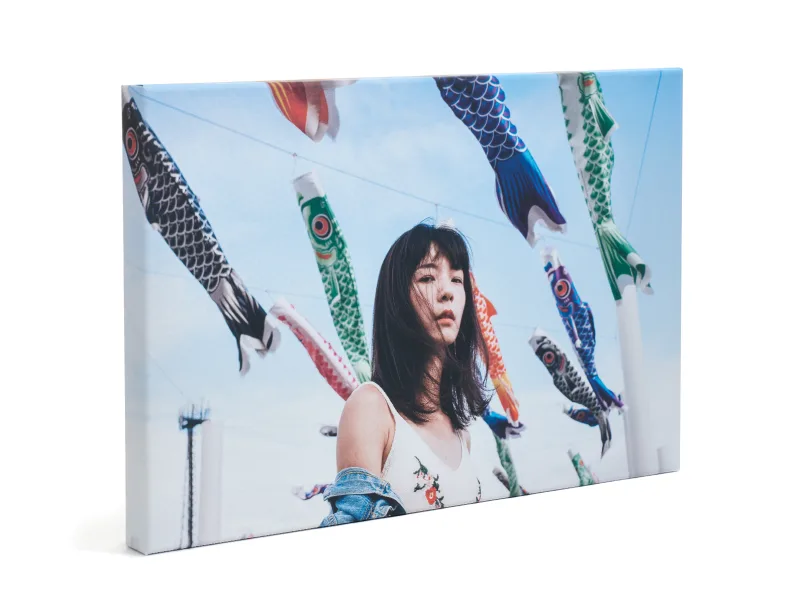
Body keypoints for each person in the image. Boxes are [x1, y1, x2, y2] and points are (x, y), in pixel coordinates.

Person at [320, 222, 492, 526]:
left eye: (457, 279)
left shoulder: (462, 435)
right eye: (427, 277)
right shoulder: (372, 408)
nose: (447, 292)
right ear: (398, 299)